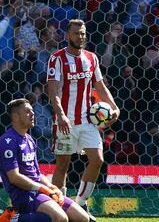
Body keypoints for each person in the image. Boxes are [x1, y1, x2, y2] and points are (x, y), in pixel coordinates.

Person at [47, 19, 120, 220]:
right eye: (77, 33)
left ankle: (80, 205)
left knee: (97, 160)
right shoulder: (57, 59)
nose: (81, 36)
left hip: (87, 120)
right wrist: (60, 114)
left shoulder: (92, 58)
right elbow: (52, 90)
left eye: (83, 33)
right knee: (63, 165)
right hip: (65, 121)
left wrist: (114, 107)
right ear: (67, 35)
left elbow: (100, 86)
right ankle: (58, 209)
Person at [0, 98, 90, 222]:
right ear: (15, 116)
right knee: (60, 218)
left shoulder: (29, 139)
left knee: (82, 218)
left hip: (39, 191)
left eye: (32, 111)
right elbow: (14, 177)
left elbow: (37, 173)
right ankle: (12, 219)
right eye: (27, 111)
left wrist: (52, 187)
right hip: (23, 194)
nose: (33, 114)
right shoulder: (8, 142)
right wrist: (42, 188)